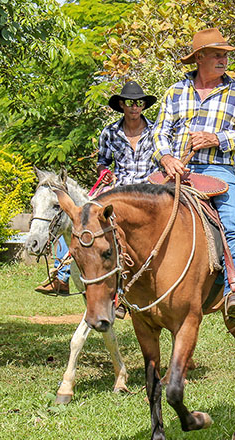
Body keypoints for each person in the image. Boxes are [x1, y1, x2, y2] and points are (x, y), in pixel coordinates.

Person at [153, 27, 235, 318]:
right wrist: (166, 158)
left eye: (225, 55)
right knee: (140, 214)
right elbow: (159, 132)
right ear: (199, 58)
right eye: (217, 55)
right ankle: (127, 287)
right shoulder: (176, 91)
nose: (224, 60)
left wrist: (217, 139)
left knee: (234, 225)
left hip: (217, 170)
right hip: (175, 171)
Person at [35, 80, 159, 295]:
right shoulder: (109, 132)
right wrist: (104, 171)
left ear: (143, 105)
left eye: (138, 102)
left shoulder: (156, 131)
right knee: (79, 216)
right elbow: (103, 160)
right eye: (129, 103)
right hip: (118, 189)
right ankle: (61, 276)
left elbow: (164, 158)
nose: (134, 107)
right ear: (122, 104)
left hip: (148, 191)